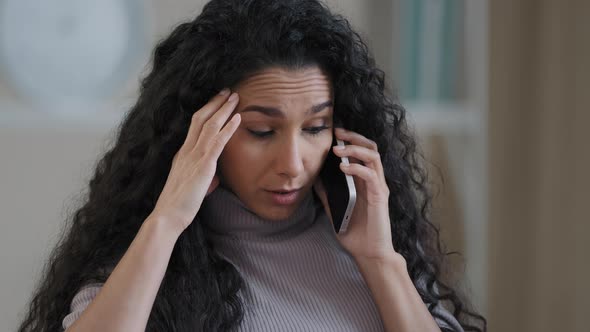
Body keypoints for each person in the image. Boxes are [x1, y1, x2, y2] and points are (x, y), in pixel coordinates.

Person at [17, 0, 487, 331]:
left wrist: (380, 260)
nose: (292, 164)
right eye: (262, 132)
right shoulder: (156, 261)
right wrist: (166, 221)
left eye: (315, 127)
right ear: (203, 132)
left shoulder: (372, 245)